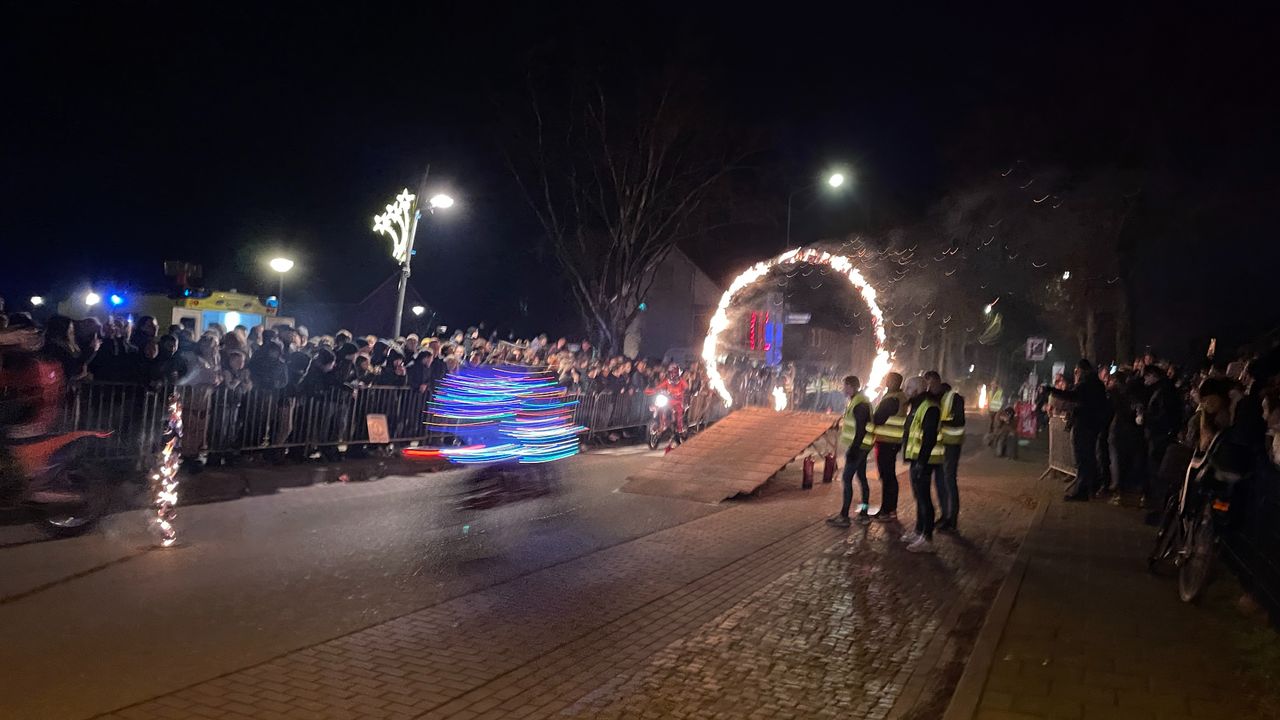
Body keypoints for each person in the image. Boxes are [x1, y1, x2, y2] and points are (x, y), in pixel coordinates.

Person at [1044, 359, 1110, 500]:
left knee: (1082, 458)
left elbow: (1071, 396)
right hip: (1093, 425)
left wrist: (1051, 390)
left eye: (1076, 371)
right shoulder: (1097, 383)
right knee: (1089, 457)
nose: (1075, 374)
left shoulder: (1086, 383)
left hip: (1084, 424)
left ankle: (1082, 491)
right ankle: (1092, 487)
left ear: (1081, 370)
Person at [902, 375, 944, 553]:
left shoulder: (929, 408)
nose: (905, 391)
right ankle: (919, 531)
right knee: (919, 497)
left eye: (909, 388)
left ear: (918, 390)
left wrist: (921, 462)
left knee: (925, 499)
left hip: (924, 461)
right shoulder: (917, 406)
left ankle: (927, 538)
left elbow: (929, 438)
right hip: (917, 459)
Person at [827, 375, 874, 527]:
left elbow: (860, 428)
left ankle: (844, 516)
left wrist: (854, 449)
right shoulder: (857, 401)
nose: (843, 388)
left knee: (846, 479)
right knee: (862, 478)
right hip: (862, 447)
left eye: (844, 385)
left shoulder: (860, 404)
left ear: (850, 386)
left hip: (858, 448)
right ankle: (864, 513)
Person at [869, 372, 909, 522]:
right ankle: (890, 510)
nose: (885, 382)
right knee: (890, 476)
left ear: (893, 382)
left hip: (887, 442)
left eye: (887, 380)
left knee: (887, 477)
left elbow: (878, 418)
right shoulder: (899, 397)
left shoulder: (892, 399)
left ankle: (886, 510)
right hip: (892, 442)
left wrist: (870, 415)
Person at [937, 378, 965, 532]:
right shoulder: (942, 399)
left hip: (952, 445)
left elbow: (959, 420)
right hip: (944, 446)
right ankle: (945, 516)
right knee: (943, 482)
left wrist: (940, 423)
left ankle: (952, 521)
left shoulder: (954, 398)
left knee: (949, 482)